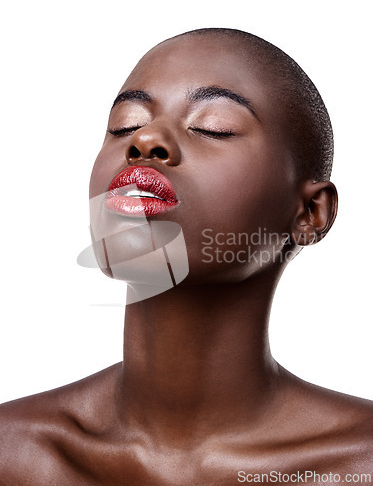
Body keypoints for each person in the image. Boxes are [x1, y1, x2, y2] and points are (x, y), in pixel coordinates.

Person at [0, 28, 372, 485]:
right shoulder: (11, 452)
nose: (146, 139)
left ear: (310, 212)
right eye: (125, 124)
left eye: (212, 126)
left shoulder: (359, 465)